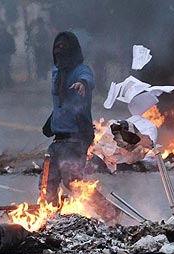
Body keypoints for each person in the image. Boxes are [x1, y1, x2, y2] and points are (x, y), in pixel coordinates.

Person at [41, 31, 122, 225]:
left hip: (75, 138)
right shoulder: (56, 71)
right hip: (58, 140)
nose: (59, 50)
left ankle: (110, 212)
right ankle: (52, 220)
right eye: (57, 47)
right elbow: (59, 104)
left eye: (64, 47)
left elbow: (88, 78)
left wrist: (82, 84)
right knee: (47, 183)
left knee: (74, 182)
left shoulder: (80, 70)